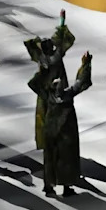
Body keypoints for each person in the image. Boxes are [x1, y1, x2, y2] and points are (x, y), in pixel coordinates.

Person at [41, 52, 93, 197]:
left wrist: (42, 70)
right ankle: (66, 187)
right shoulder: (68, 94)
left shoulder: (48, 96)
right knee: (66, 160)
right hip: (66, 135)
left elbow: (33, 83)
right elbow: (81, 81)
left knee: (50, 158)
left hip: (51, 132)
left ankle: (48, 186)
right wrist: (86, 64)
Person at [25, 10, 76, 153]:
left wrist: (37, 42)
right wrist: (61, 22)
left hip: (44, 92)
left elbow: (31, 44)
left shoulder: (41, 58)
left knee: (43, 119)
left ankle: (45, 143)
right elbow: (62, 40)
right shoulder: (57, 56)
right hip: (58, 91)